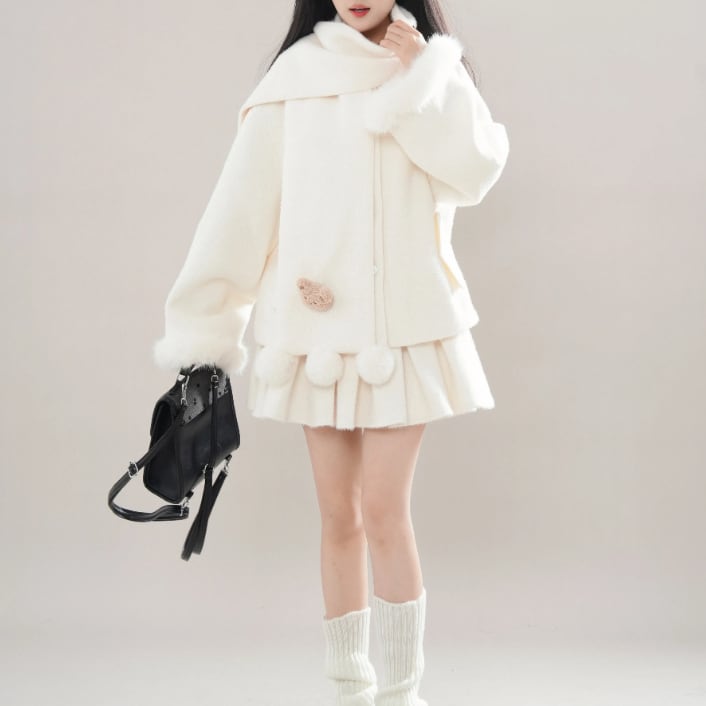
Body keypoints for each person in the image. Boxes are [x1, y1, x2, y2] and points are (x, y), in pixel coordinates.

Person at [153, 1, 509, 703]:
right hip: (315, 330)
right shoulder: (296, 79)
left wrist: (423, 76)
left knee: (384, 510)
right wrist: (206, 326)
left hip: (403, 330)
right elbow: (239, 213)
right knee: (339, 517)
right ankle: (349, 688)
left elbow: (474, 172)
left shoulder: (429, 70)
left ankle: (402, 693)